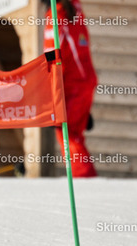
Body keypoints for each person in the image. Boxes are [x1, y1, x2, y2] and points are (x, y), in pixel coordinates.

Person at [41, 0, 98, 177]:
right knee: (73, 134)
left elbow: (52, 57)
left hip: (71, 83)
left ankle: (84, 179)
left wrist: (50, 97)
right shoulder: (75, 8)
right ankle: (84, 178)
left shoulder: (56, 14)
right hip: (84, 79)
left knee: (67, 133)